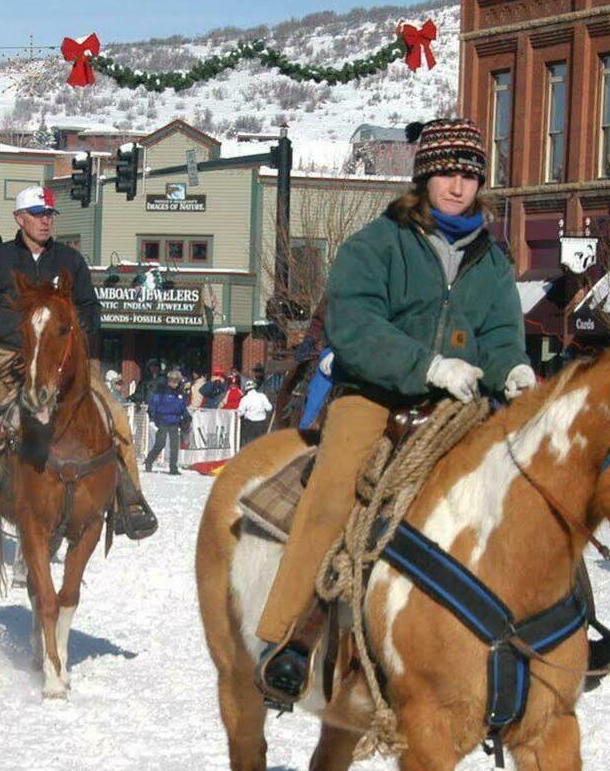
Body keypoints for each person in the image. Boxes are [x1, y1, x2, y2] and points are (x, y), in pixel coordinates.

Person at [256, 117, 531, 699]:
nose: (458, 186)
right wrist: (425, 365)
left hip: (462, 400)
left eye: (469, 175)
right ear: (423, 177)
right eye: (446, 174)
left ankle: (541, 629)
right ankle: (285, 638)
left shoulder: (495, 262)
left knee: (525, 488)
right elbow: (354, 327)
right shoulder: (375, 244)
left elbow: (504, 337)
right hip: (374, 393)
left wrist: (517, 371)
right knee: (333, 490)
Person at [0, 185, 157, 542]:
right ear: (20, 218)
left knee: (114, 414)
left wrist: (77, 331)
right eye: (38, 215)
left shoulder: (70, 262)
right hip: (9, 358)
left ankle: (129, 498)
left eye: (49, 216)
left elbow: (90, 308)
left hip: (64, 359)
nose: (45, 222)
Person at [144, 368, 190, 473]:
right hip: (163, 420)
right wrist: (153, 416)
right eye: (172, 381)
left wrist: (186, 415)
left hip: (175, 421)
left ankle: (173, 467)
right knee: (160, 443)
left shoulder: (180, 394)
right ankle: (149, 461)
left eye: (176, 382)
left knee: (174, 446)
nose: (174, 384)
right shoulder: (162, 391)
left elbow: (182, 407)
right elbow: (154, 404)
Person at [237, 377, 272, 446]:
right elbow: (269, 408)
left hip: (250, 424)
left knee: (250, 443)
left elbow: (240, 413)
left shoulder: (245, 399)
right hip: (262, 423)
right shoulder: (262, 396)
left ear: (246, 389)